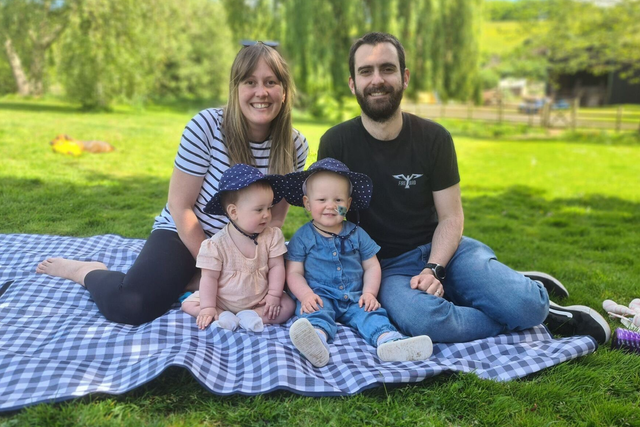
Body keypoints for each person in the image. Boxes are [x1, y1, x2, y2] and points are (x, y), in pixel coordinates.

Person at [317, 32, 610, 345]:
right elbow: (331, 222)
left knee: (524, 305)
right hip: (387, 268)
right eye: (366, 71)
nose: (377, 79)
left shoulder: (434, 139)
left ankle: (538, 306)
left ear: (404, 78)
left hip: (447, 251)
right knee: (428, 322)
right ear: (352, 84)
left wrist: (434, 268)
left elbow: (451, 217)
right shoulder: (336, 143)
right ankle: (512, 303)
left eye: (387, 69)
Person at [36, 42, 309, 325]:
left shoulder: (295, 144)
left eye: (271, 82)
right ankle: (87, 271)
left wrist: (253, 266)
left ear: (284, 90)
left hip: (249, 243)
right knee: (130, 305)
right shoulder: (207, 126)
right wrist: (215, 266)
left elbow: (275, 219)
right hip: (187, 233)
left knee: (295, 289)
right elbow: (180, 206)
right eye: (250, 82)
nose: (261, 92)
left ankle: (187, 283)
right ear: (235, 88)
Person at [282, 158, 433, 367]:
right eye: (321, 200)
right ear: (307, 203)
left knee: (372, 314)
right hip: (319, 294)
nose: (331, 206)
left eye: (338, 201)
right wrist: (305, 295)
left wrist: (369, 293)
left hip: (355, 296)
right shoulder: (303, 237)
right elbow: (294, 273)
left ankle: (389, 341)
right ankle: (315, 340)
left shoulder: (357, 233)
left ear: (349, 204)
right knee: (315, 314)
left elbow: (371, 265)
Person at [181, 164, 294, 331]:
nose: (267, 215)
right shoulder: (216, 244)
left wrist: (274, 295)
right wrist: (208, 307)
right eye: (259, 209)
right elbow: (209, 278)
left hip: (260, 298)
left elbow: (277, 266)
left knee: (288, 305)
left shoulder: (272, 236)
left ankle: (252, 315)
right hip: (223, 300)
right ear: (234, 212)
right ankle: (221, 314)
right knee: (188, 304)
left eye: (269, 208)